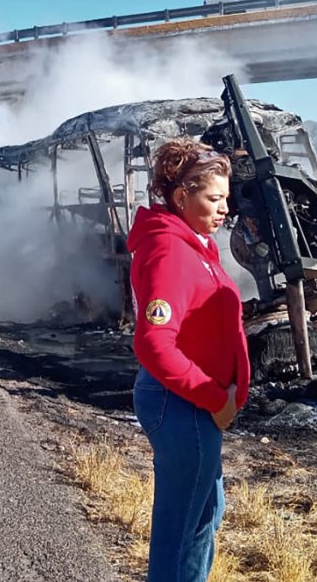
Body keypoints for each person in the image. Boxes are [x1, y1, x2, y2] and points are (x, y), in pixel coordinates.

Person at [128, 137, 250, 582]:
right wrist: (215, 398)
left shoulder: (195, 245)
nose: (225, 209)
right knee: (181, 535)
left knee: (201, 521)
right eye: (214, 198)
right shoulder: (171, 251)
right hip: (183, 404)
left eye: (226, 199)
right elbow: (155, 344)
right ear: (182, 196)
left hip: (191, 404)